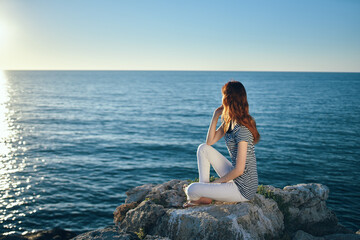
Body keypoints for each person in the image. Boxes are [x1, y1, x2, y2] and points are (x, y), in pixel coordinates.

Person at [183, 80, 260, 208]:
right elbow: (210, 142)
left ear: (228, 99)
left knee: (192, 189)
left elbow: (239, 170)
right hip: (235, 177)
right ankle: (205, 195)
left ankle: (202, 193)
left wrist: (215, 184)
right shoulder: (230, 122)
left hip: (243, 189)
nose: (221, 98)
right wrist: (215, 115)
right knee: (203, 148)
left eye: (223, 95)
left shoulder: (241, 129)